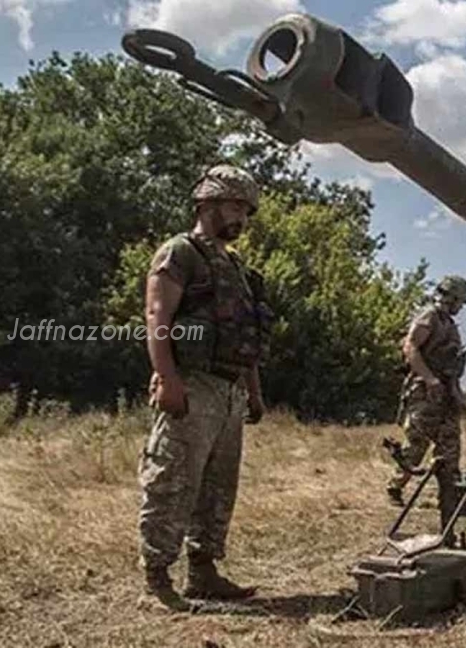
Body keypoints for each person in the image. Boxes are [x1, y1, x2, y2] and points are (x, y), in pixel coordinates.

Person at [139, 164, 274, 609]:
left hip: (230, 387)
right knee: (172, 480)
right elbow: (157, 317)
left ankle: (204, 572)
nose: (242, 218)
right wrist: (168, 378)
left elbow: (244, 334)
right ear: (207, 204)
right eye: (235, 206)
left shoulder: (235, 266)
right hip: (192, 384)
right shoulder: (181, 252)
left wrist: (252, 390)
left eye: (246, 210)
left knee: (218, 487)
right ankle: (157, 581)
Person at [386, 275, 466, 535]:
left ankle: (448, 495)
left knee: (450, 446)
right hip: (424, 393)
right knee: (417, 445)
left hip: (445, 393)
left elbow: (453, 366)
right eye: (459, 302)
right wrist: (430, 380)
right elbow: (410, 347)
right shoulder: (429, 317)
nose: (461, 307)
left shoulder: (450, 326)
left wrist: (456, 392)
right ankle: (395, 485)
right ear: (451, 297)